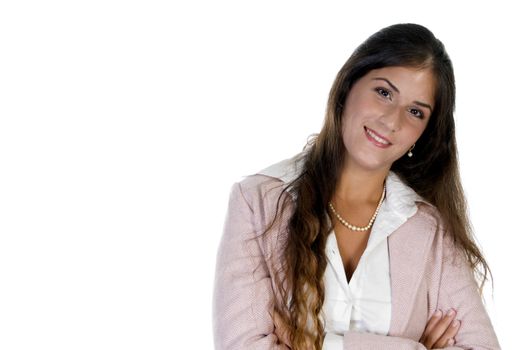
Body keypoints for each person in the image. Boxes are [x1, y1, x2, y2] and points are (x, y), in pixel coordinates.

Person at [212, 23, 500, 350]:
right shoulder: (258, 202)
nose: (392, 120)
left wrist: (316, 345)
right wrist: (413, 347)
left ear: (424, 133)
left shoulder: (431, 230)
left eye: (416, 111)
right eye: (384, 92)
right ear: (348, 86)